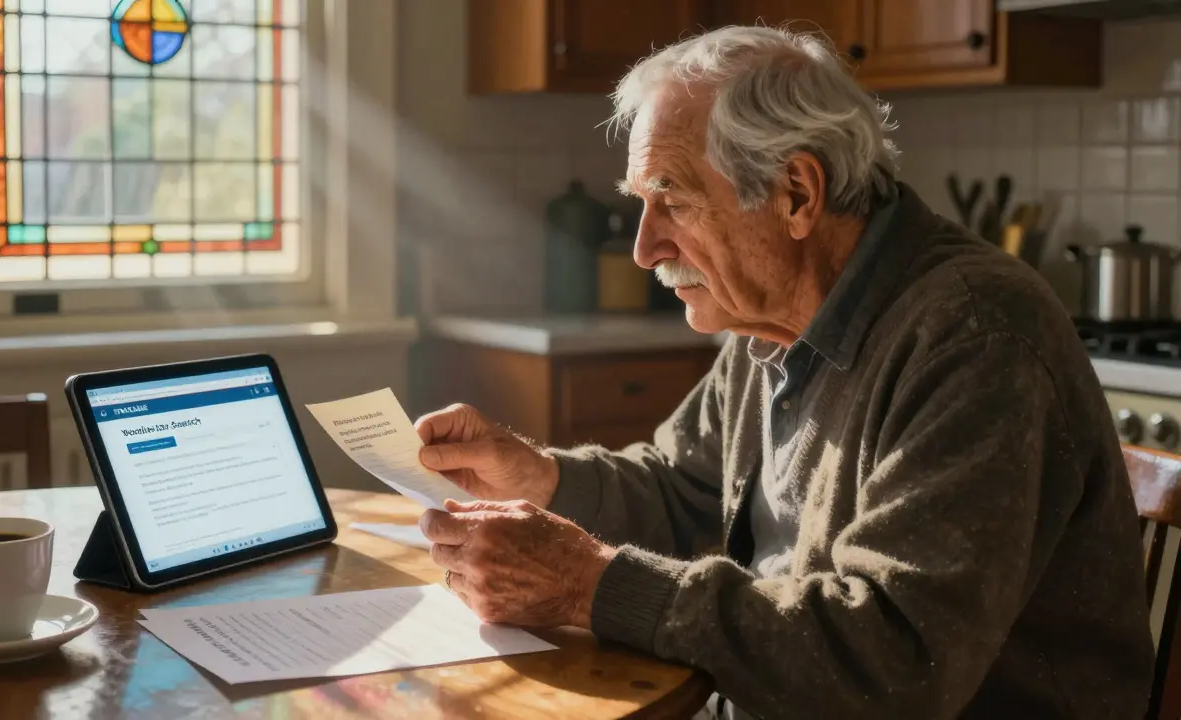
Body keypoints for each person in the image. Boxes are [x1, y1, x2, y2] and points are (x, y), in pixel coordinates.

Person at [415, 25, 1153, 719]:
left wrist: (590, 584)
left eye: (671, 199)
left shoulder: (975, 334)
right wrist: (537, 476)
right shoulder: (767, 314)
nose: (644, 248)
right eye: (642, 204)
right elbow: (685, 489)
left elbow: (897, 660)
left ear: (796, 194)